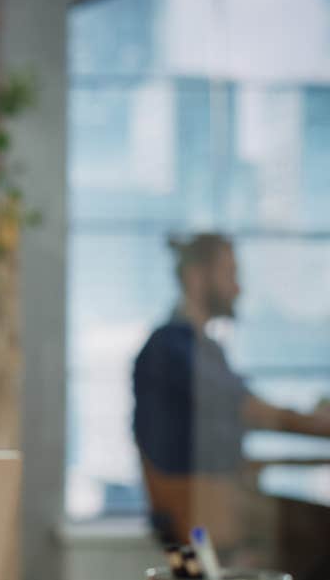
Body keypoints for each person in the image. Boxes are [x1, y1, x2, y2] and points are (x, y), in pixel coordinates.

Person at [133, 232, 330, 549]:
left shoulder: (203, 348)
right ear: (197, 277)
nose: (238, 288)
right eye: (230, 274)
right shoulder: (172, 347)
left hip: (217, 501)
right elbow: (252, 411)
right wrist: (317, 423)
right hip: (202, 514)